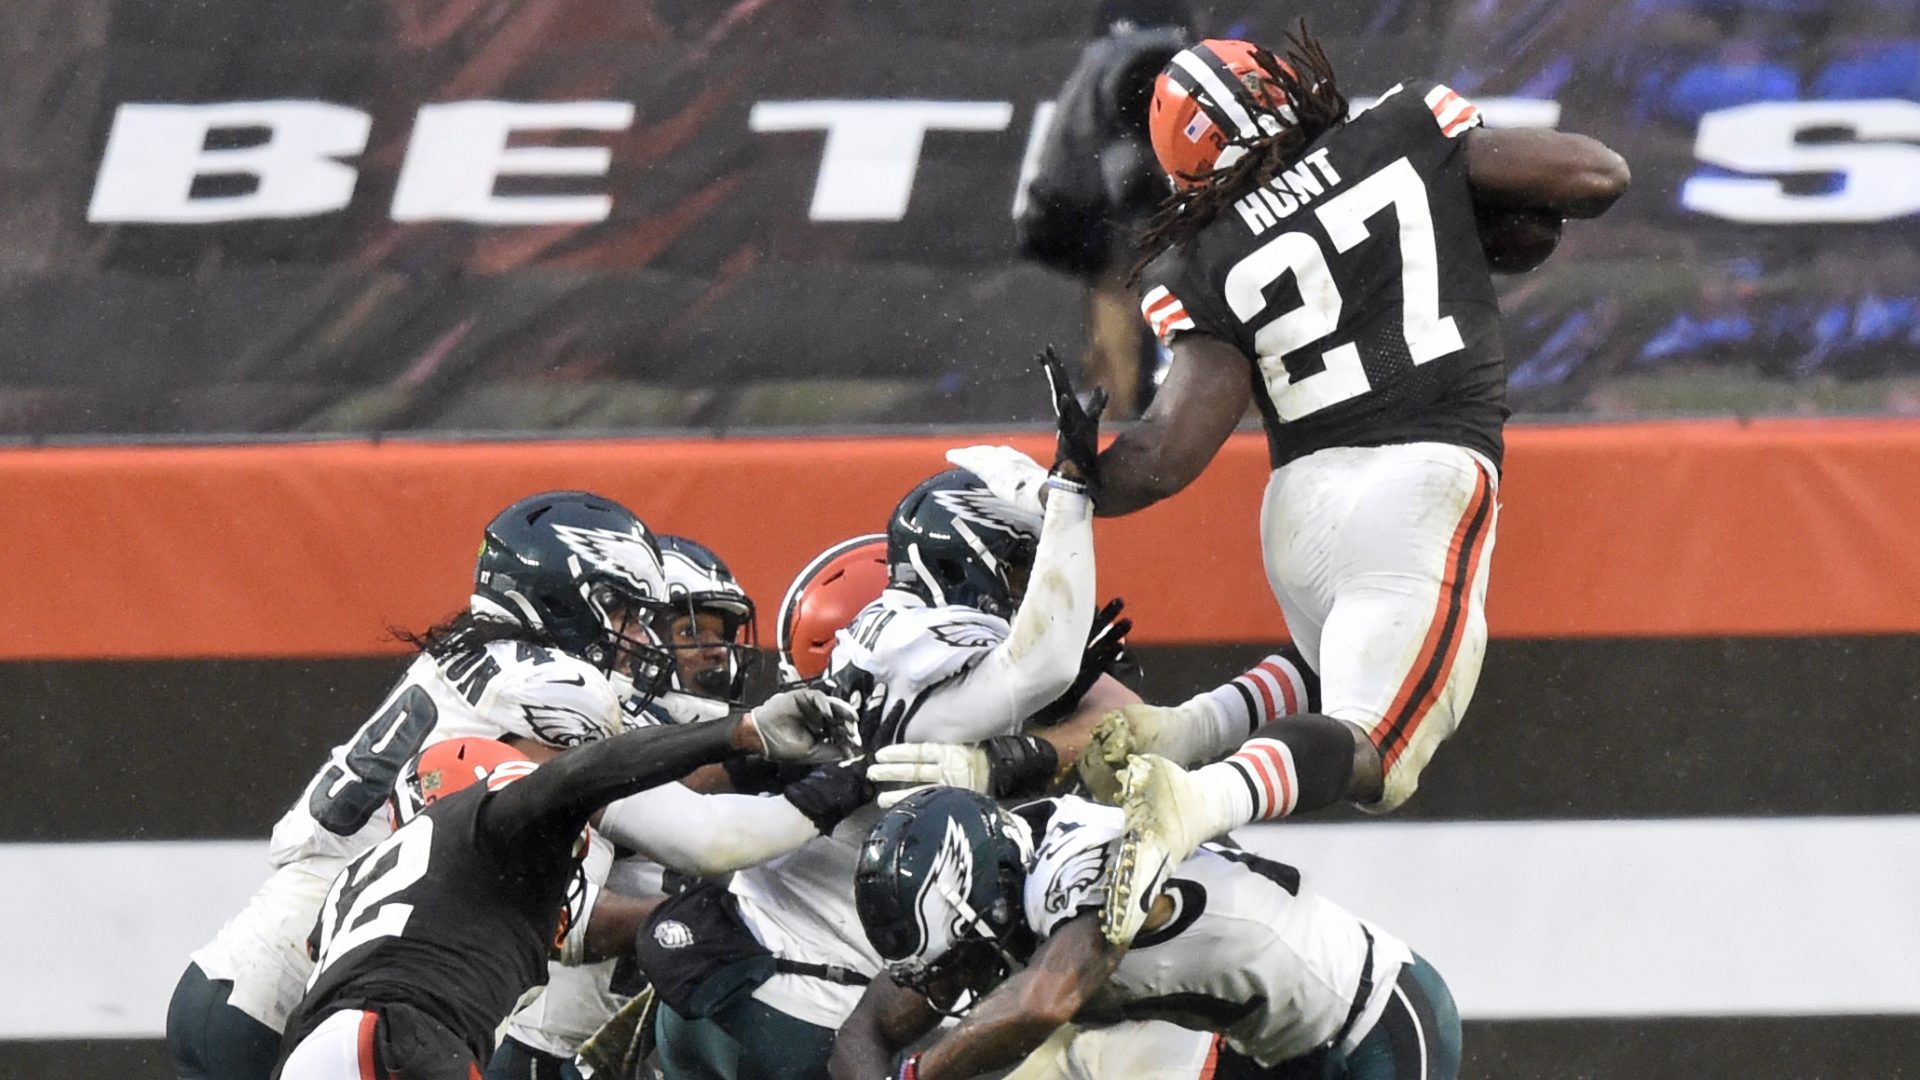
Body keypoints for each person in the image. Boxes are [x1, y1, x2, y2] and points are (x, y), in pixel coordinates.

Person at [1070, 29, 1629, 941]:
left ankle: (1188, 733)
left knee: (1340, 669)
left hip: (1300, 511)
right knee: (1381, 753)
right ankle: (1199, 798)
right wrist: (1462, 193)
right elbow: (1595, 176)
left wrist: (1075, 475)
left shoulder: (1204, 255)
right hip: (1419, 481)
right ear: (1285, 85)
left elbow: (1165, 458)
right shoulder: (1402, 131)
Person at [167, 490, 689, 1080]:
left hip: (247, 973)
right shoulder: (555, 689)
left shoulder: (474, 662)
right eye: (623, 613)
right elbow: (572, 917)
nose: (640, 638)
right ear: (564, 597)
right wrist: (687, 916)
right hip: (289, 1006)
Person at [273, 690, 855, 1080]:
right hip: (405, 1035)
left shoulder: (364, 880)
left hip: (310, 1053)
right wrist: (739, 733)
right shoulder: (488, 821)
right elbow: (586, 771)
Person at [490, 535, 874, 1080]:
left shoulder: (723, 745)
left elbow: (695, 780)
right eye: (691, 631)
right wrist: (700, 927)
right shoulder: (578, 728)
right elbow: (557, 920)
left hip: (660, 1038)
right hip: (553, 1047)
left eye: (723, 633)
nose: (716, 651)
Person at [830, 787, 1461, 1080]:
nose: (957, 983)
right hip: (1269, 1054)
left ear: (987, 894)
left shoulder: (1082, 863)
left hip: (1375, 1016)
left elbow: (1043, 1003)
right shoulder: (988, 887)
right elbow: (866, 1028)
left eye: (960, 961)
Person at [1016, 0, 1193, 416]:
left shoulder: (1100, 60)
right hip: (1183, 208)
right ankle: (1240, 436)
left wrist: (1050, 221)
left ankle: (1110, 433)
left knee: (1117, 318)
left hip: (1122, 218)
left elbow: (1067, 157)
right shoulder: (1194, 59)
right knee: (1217, 323)